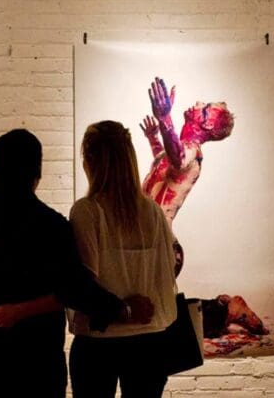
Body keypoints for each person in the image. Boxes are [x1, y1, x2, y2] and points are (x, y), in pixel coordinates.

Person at [0, 129, 154, 398]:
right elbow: (76, 288)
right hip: (35, 371)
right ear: (37, 174)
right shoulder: (51, 227)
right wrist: (123, 310)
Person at [67, 121, 179, 398]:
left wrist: (122, 310)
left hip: (98, 341)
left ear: (90, 161)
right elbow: (171, 265)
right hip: (149, 339)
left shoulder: (87, 211)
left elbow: (83, 284)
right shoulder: (152, 212)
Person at [139, 76, 234, 274]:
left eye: (205, 109)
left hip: (158, 244)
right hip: (150, 239)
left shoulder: (193, 151)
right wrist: (153, 137)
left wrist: (165, 118)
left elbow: (178, 158)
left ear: (208, 124)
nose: (198, 103)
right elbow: (164, 163)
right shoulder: (182, 149)